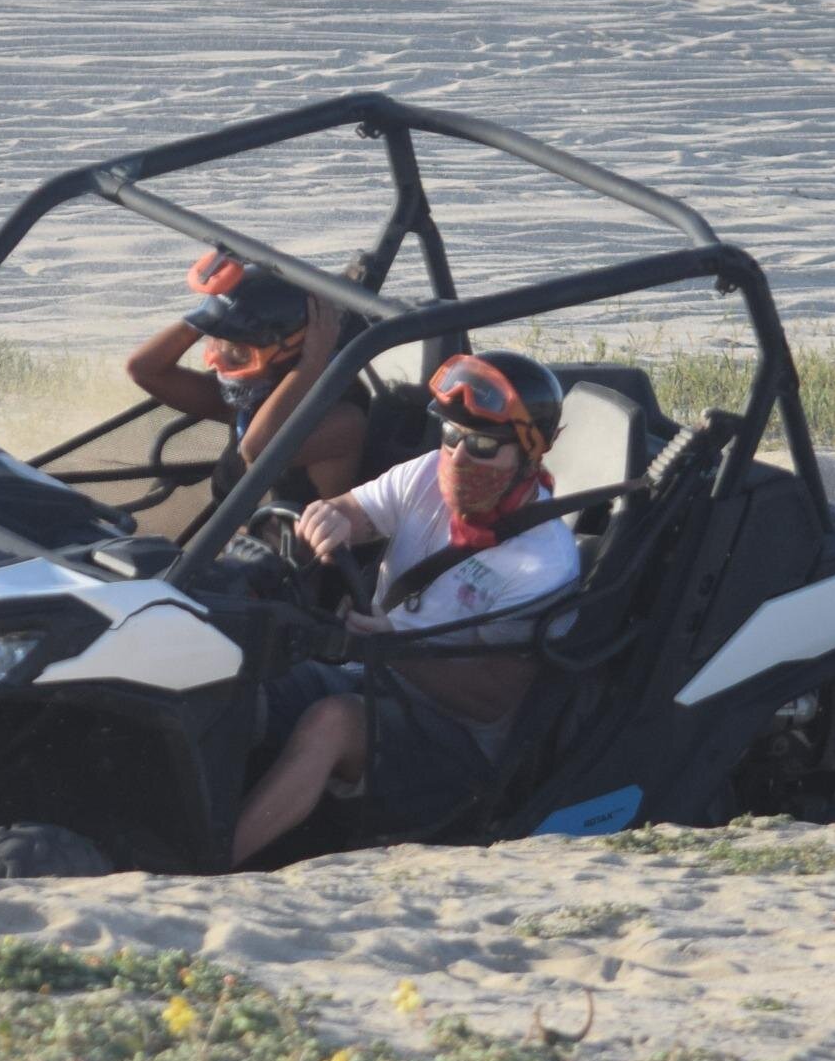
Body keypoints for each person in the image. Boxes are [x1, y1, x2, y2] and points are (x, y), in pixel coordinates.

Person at [229, 351, 579, 865]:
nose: (459, 456)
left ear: (531, 453)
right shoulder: (426, 475)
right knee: (246, 676)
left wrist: (392, 647)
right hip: (371, 675)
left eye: (483, 445)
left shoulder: (543, 562)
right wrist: (330, 519)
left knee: (333, 723)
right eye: (452, 435)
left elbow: (493, 701)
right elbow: (355, 511)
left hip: (459, 747)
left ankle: (213, 869)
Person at [125, 255, 365, 503]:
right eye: (217, 344)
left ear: (295, 353)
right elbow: (145, 369)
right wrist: (213, 311)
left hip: (294, 530)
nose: (219, 363)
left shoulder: (344, 419)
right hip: (231, 528)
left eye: (240, 355)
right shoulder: (251, 393)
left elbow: (258, 451)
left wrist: (312, 361)